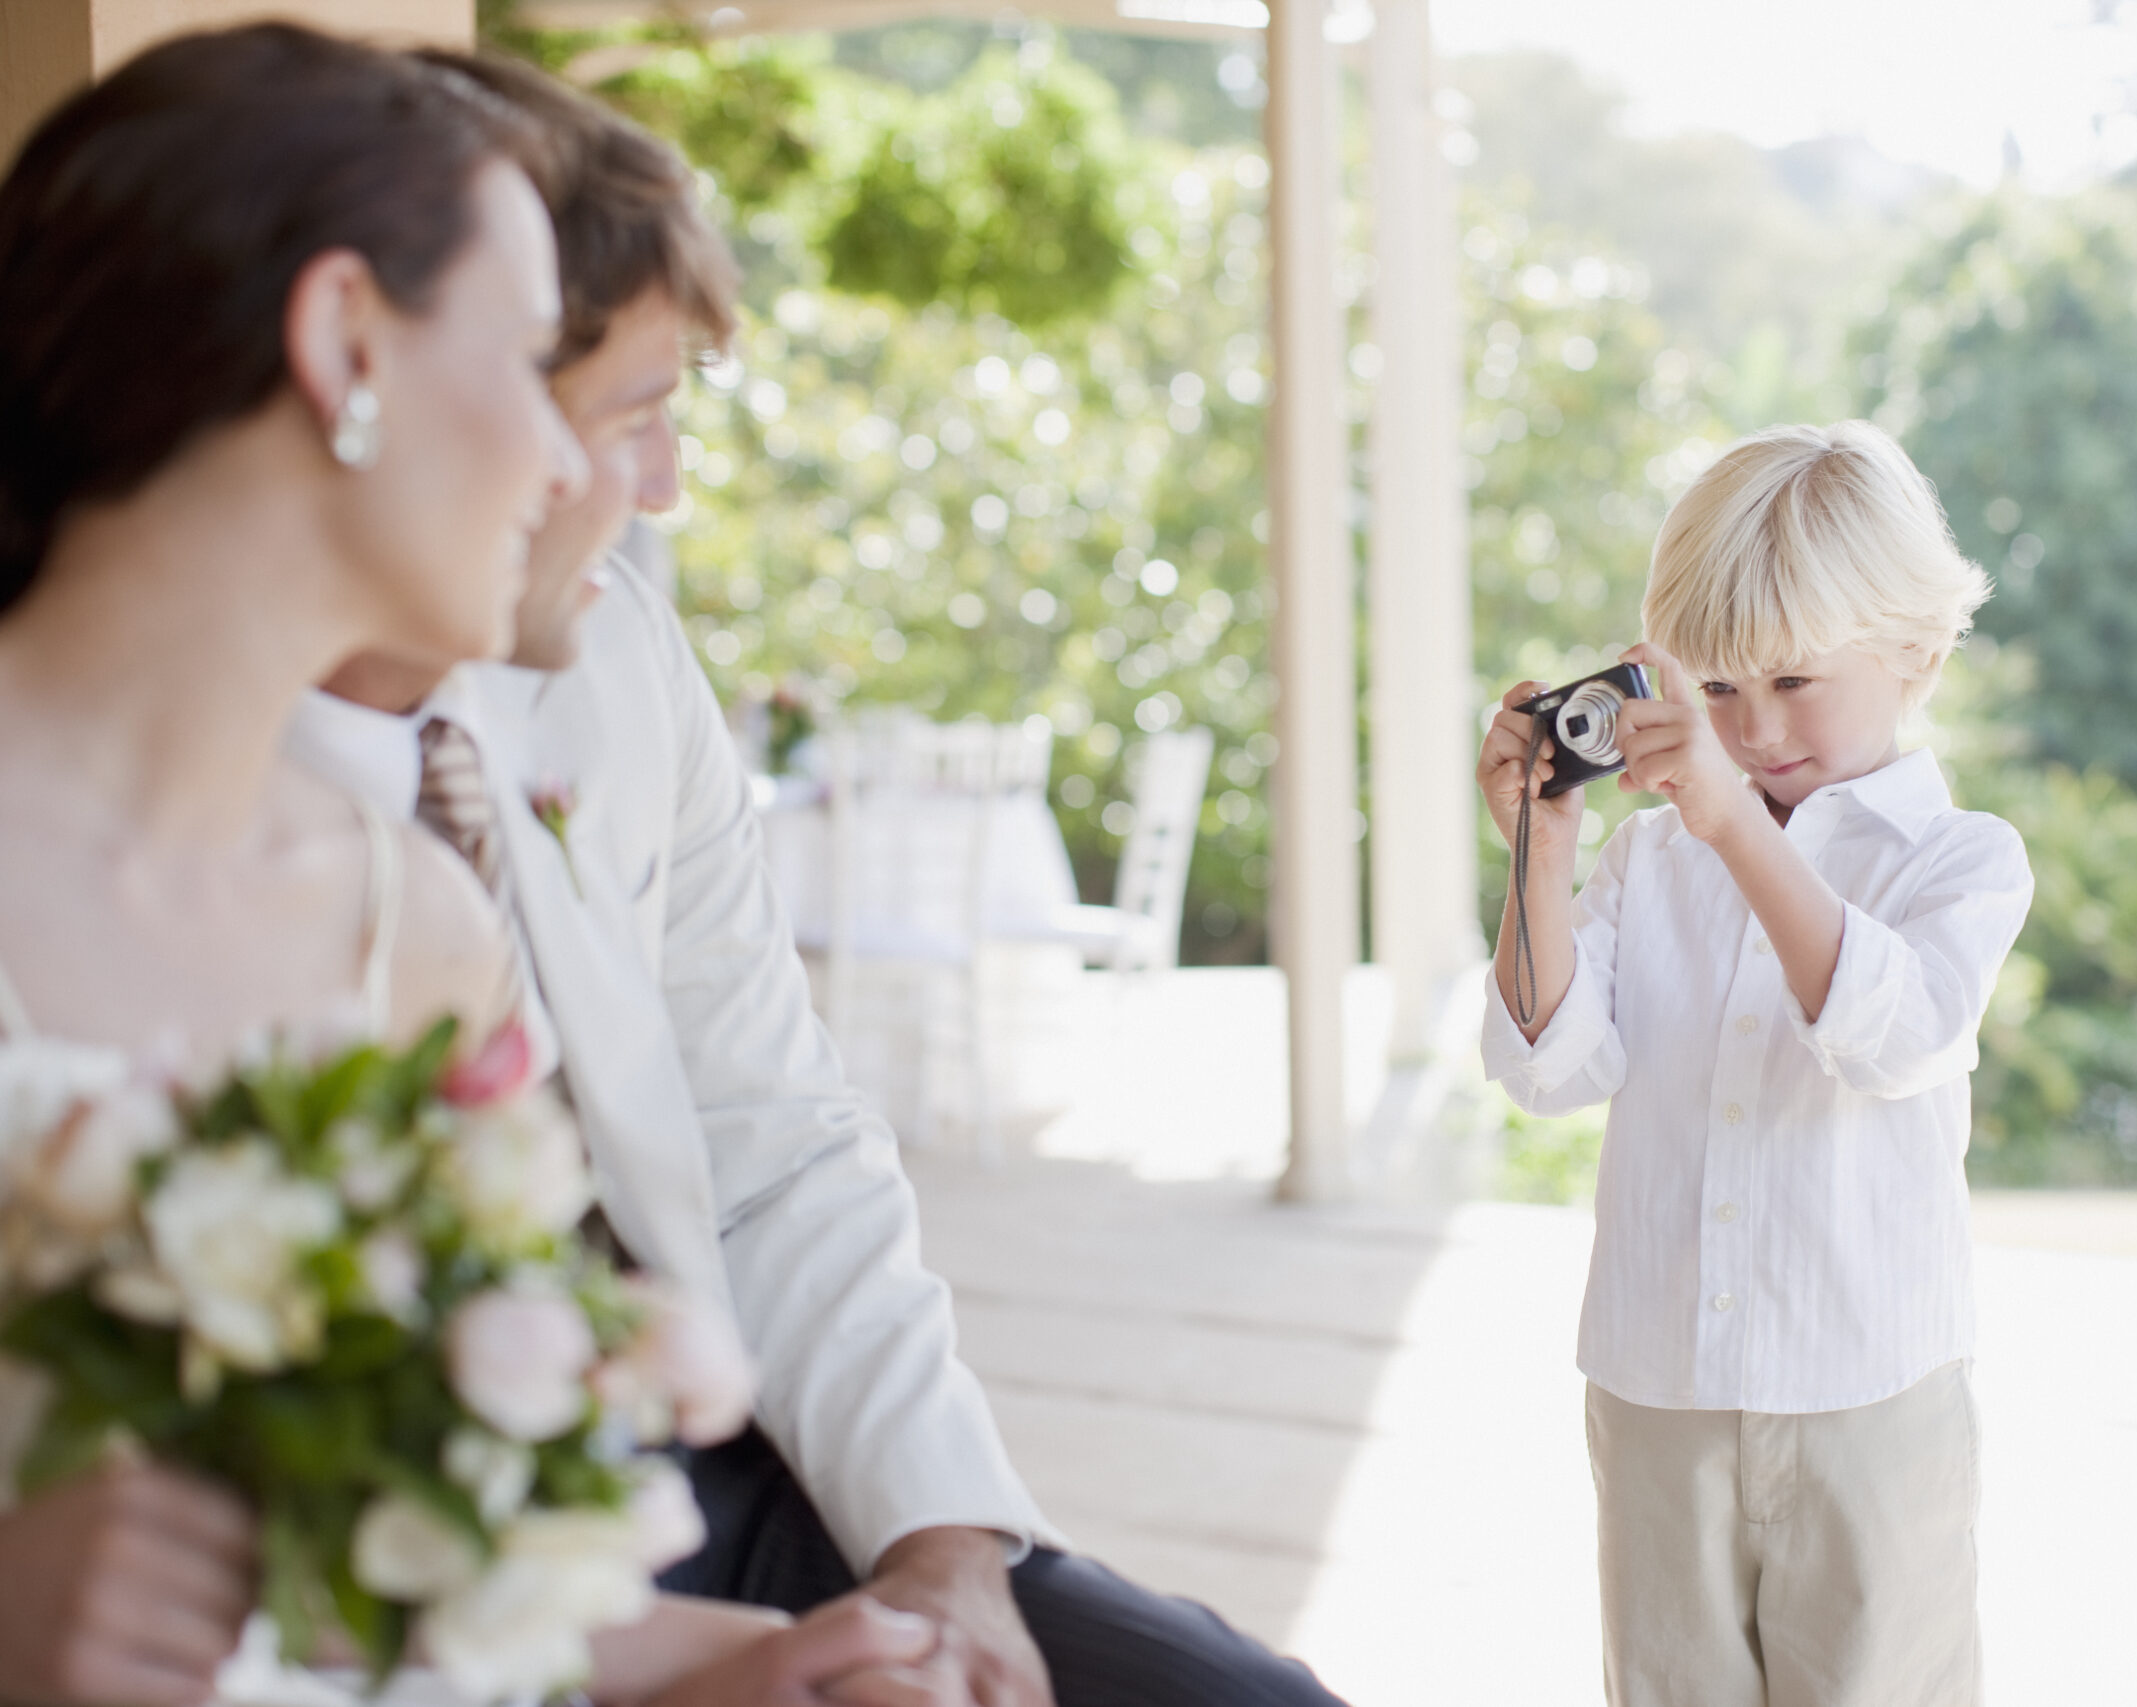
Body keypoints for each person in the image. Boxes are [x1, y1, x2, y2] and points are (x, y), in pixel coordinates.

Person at [290, 52, 1351, 1707]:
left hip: (728, 1463)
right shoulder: (171, 807)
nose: (662, 493)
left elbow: (773, 1133)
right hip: (384, 1562)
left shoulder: (609, 648)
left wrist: (937, 1545)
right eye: (633, 414)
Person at [0, 27, 959, 1707]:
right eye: (528, 362)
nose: (575, 460)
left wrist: (752, 1669)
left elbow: (411, 1583)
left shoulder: (415, 926)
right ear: (343, 342)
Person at [1478, 421, 2035, 1707]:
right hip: (1658, 1387)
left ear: (1917, 654)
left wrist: (1732, 828)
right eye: (1716, 691)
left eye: (1792, 683)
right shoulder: (1650, 859)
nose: (1754, 728)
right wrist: (1541, 854)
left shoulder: (1958, 860)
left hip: (1867, 1398)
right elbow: (1548, 1068)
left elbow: (1895, 1040)